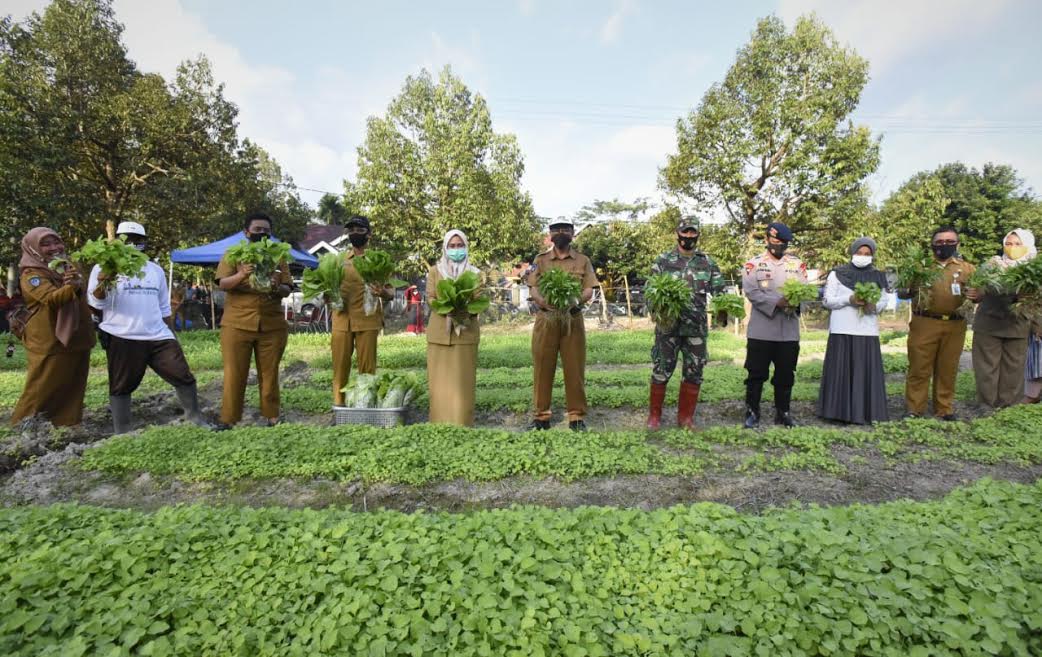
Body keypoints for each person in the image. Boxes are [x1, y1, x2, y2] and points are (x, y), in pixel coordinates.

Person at [86, 221, 211, 434]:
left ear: (144, 242)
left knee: (182, 375)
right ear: (116, 240)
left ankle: (194, 417)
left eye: (137, 240)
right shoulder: (103, 268)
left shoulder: (155, 270)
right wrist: (103, 283)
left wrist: (170, 333)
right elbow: (97, 303)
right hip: (122, 335)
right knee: (121, 385)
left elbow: (163, 306)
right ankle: (122, 432)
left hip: (158, 335)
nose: (131, 244)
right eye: (125, 239)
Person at [10, 227, 96, 426]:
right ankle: (23, 425)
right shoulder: (31, 275)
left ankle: (67, 423)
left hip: (78, 336)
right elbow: (51, 299)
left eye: (56, 242)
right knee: (43, 385)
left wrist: (79, 283)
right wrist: (71, 286)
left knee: (73, 383)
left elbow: (83, 294)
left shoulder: (69, 266)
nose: (54, 248)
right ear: (32, 249)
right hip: (49, 340)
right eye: (45, 244)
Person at [646, 216, 725, 430]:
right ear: (677, 234)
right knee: (662, 369)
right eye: (685, 232)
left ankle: (685, 418)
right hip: (667, 328)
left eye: (692, 232)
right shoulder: (663, 261)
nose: (688, 236)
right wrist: (655, 308)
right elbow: (649, 291)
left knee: (694, 372)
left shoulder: (707, 263)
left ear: (698, 234)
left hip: (696, 329)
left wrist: (724, 308)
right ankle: (654, 417)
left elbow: (720, 291)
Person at [215, 212, 293, 427]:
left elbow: (287, 288)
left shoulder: (278, 256)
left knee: (269, 373)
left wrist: (277, 286)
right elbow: (222, 284)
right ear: (246, 232)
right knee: (234, 373)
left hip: (272, 325)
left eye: (266, 231)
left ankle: (272, 416)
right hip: (236, 323)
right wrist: (241, 275)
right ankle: (228, 419)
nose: (261, 234)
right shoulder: (233, 253)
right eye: (257, 230)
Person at [526, 220, 599, 431]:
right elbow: (533, 288)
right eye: (556, 229)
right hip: (546, 319)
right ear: (549, 234)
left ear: (573, 233)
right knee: (542, 367)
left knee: (574, 367)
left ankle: (576, 416)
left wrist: (574, 302)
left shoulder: (583, 260)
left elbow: (588, 290)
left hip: (572, 320)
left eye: (565, 229)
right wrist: (542, 301)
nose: (561, 233)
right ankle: (541, 416)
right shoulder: (540, 260)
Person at [898, 226, 975, 420]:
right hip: (925, 322)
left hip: (955, 324)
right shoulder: (919, 266)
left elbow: (979, 292)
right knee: (919, 366)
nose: (944, 246)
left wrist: (978, 295)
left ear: (957, 244)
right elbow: (901, 290)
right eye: (940, 242)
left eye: (950, 242)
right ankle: (914, 409)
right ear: (932, 245)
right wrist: (906, 289)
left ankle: (944, 408)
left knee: (948, 368)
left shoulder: (967, 268)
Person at [817, 237, 892, 424]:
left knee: (863, 372)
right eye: (859, 252)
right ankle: (836, 413)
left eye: (867, 254)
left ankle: (866, 412)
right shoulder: (837, 274)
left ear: (873, 255)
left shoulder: (878, 276)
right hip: (841, 330)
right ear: (852, 252)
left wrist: (873, 306)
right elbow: (827, 301)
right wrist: (848, 300)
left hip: (867, 331)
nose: (863, 256)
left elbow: (884, 301)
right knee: (840, 372)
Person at [741, 222, 807, 428]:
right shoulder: (753, 265)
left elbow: (805, 289)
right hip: (761, 331)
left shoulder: (797, 265)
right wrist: (776, 302)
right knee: (756, 374)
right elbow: (752, 292)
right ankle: (752, 412)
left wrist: (795, 301)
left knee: (786, 374)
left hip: (788, 332)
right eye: (775, 241)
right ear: (768, 240)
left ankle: (783, 412)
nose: (779, 245)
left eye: (783, 243)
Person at [967, 229, 1036, 408]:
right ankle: (987, 405)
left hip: (1018, 324)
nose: (1012, 248)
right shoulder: (991, 265)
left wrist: (1038, 325)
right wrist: (976, 294)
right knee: (986, 368)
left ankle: (1009, 406)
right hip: (989, 322)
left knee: (1014, 368)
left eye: (1018, 244)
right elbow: (978, 288)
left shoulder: (1034, 269)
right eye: (1008, 243)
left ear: (1027, 246)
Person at [331, 215, 394, 405]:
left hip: (368, 320)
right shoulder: (338, 260)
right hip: (342, 321)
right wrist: (328, 294)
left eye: (360, 230)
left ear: (369, 234)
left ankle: (364, 407)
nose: (355, 234)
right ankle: (339, 406)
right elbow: (326, 286)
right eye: (351, 230)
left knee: (367, 369)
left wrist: (382, 292)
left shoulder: (378, 260)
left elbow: (391, 292)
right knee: (340, 368)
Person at [426, 230, 481, 426]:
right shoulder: (435, 271)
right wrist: (447, 308)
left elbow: (480, 300)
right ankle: (439, 423)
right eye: (452, 246)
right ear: (445, 248)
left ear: (466, 247)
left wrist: (463, 311)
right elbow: (431, 297)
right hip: (439, 333)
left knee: (462, 381)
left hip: (465, 333)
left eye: (460, 246)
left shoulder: (475, 273)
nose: (456, 250)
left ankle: (462, 423)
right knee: (439, 382)